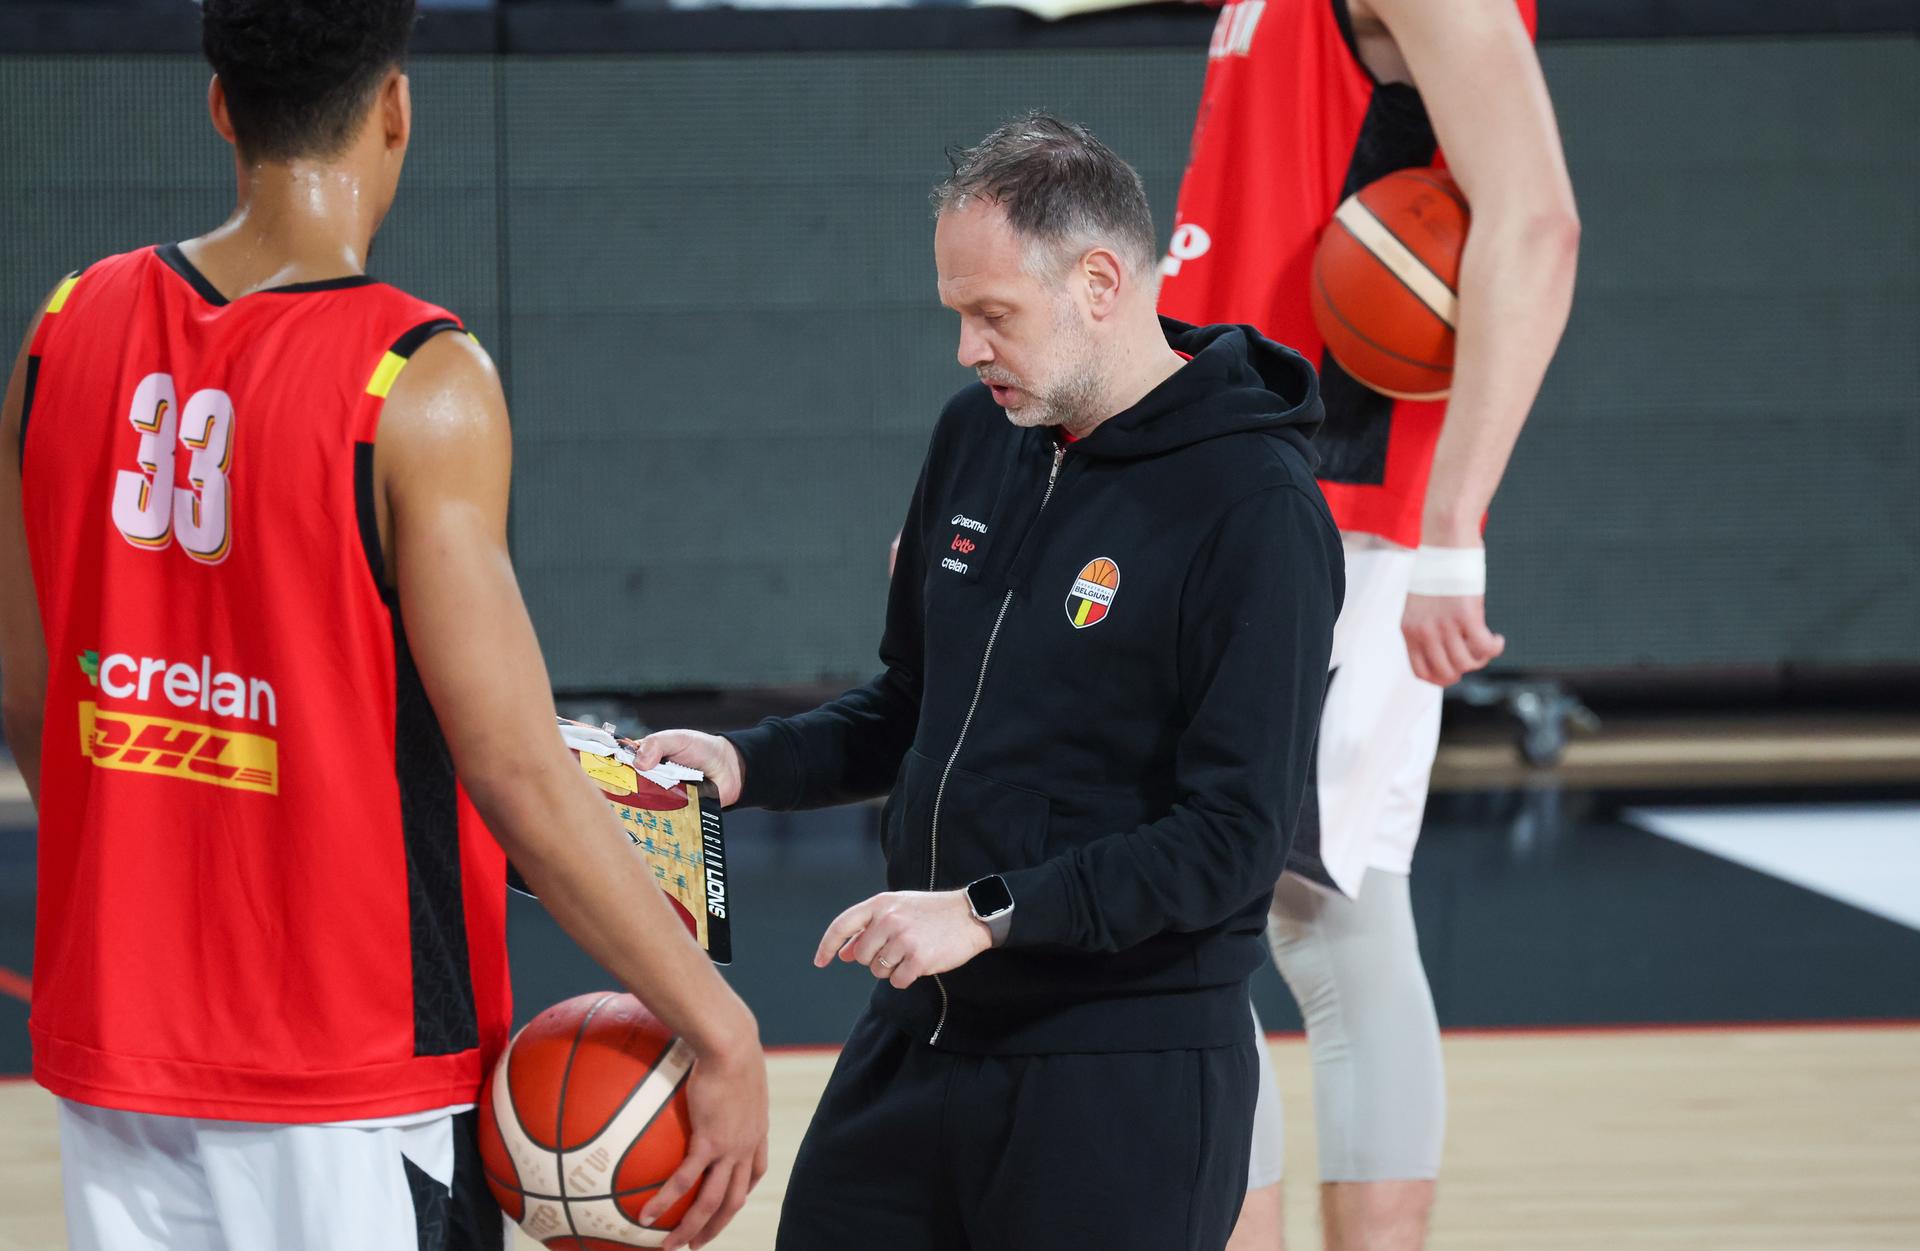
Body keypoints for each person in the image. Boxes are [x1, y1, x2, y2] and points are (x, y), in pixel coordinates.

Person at [0, 3, 766, 1247]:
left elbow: (37, 701)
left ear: (217, 106)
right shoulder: (418, 375)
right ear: (397, 105)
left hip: (116, 1056)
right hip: (353, 1076)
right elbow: (512, 765)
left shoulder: (64, 326)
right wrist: (716, 1022)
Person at [634, 112, 1343, 1251]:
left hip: (1120, 1071)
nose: (967, 347)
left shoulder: (1256, 509)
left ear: (1101, 283)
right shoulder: (977, 436)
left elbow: (1233, 841)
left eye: (992, 315)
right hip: (917, 1034)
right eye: (958, 313)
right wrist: (742, 765)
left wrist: (987, 914)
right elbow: (910, 705)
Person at [1157, 1, 1581, 1248]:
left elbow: (1540, 223)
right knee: (1323, 913)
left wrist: (1454, 526)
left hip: (1326, 505)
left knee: (1201, 916)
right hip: (1243, 473)